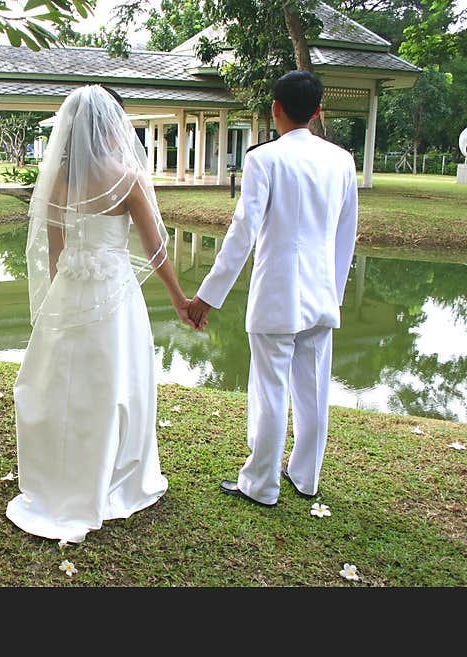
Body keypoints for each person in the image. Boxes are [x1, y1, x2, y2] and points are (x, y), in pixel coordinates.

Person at [6, 84, 195, 543]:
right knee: (114, 383)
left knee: (60, 384)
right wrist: (179, 300)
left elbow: (54, 254)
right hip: (113, 294)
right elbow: (155, 249)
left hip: (70, 288)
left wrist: (58, 305)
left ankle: (60, 477)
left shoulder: (55, 181)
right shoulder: (127, 178)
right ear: (112, 125)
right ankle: (112, 474)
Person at [188, 70, 358, 507]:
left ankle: (261, 483)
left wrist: (207, 295)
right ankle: (306, 477)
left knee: (270, 390)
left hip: (277, 294)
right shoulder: (342, 160)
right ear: (318, 111)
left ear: (275, 109)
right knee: (314, 391)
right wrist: (334, 294)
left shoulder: (263, 159)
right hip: (321, 295)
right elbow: (346, 234)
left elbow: (242, 232)